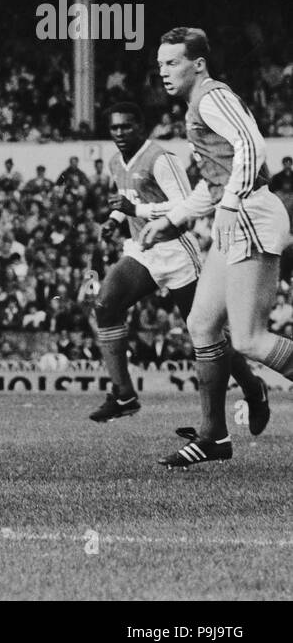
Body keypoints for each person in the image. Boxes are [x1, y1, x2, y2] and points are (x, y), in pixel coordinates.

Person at [140, 28, 293, 466]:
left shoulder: (211, 95)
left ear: (198, 63)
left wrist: (228, 205)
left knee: (249, 339)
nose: (164, 71)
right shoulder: (194, 108)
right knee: (202, 323)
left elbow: (252, 145)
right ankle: (213, 437)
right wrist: (171, 219)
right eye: (160, 64)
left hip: (251, 214)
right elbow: (215, 184)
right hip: (239, 212)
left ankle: (231, 416)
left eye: (173, 62)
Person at [89, 102, 269, 431]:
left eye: (126, 126)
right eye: (114, 127)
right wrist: (115, 219)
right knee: (105, 304)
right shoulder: (117, 161)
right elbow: (126, 197)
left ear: (141, 126)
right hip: (143, 250)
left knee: (207, 335)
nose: (119, 133)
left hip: (175, 250)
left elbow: (184, 205)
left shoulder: (161, 158)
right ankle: (124, 393)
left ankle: (252, 388)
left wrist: (136, 209)